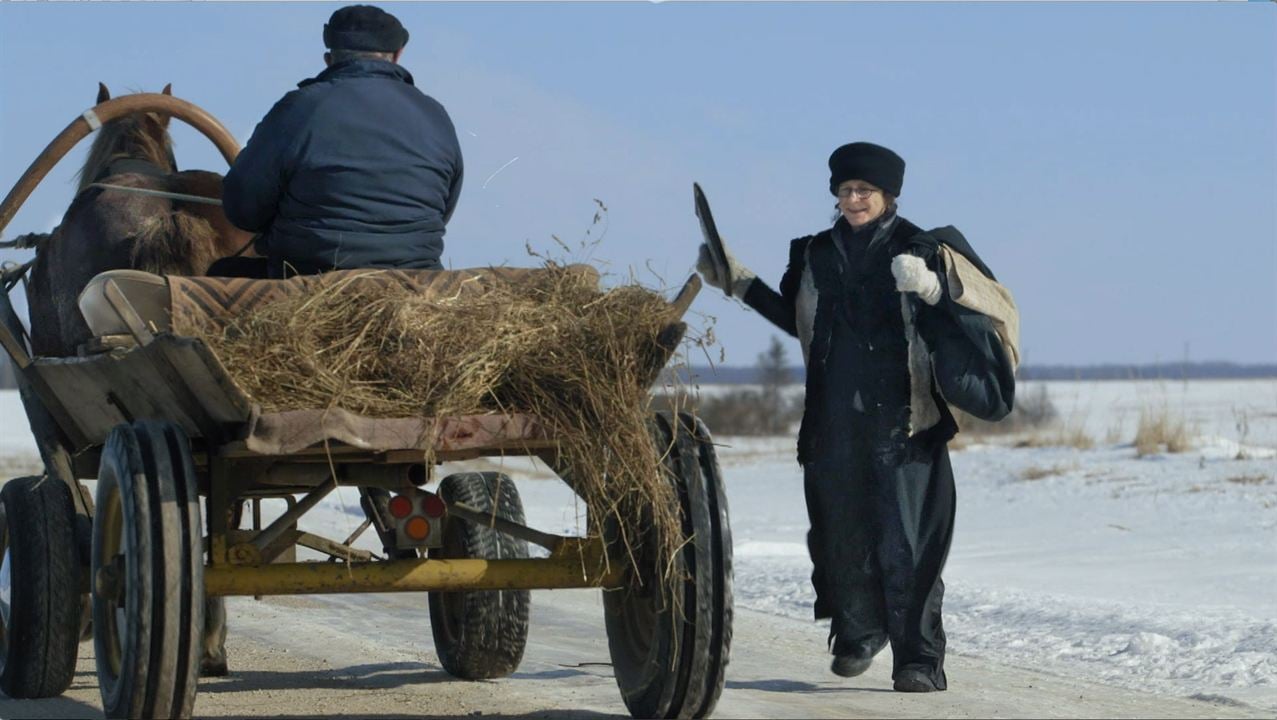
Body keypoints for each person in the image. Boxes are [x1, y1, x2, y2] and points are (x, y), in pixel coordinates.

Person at [696, 142, 1019, 692]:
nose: (853, 199)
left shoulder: (924, 248)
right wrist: (738, 281)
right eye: (845, 191)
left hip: (907, 423)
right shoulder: (817, 253)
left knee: (908, 545)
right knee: (840, 535)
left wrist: (934, 287)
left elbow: (988, 306)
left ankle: (918, 660)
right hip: (835, 419)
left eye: (864, 191)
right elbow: (796, 320)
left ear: (887, 195)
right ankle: (860, 632)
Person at [220, 4, 464, 278]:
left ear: (329, 59)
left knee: (222, 271)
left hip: (310, 278)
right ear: (397, 55)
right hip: (416, 279)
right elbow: (443, 209)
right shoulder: (435, 114)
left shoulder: (299, 107)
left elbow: (242, 209)